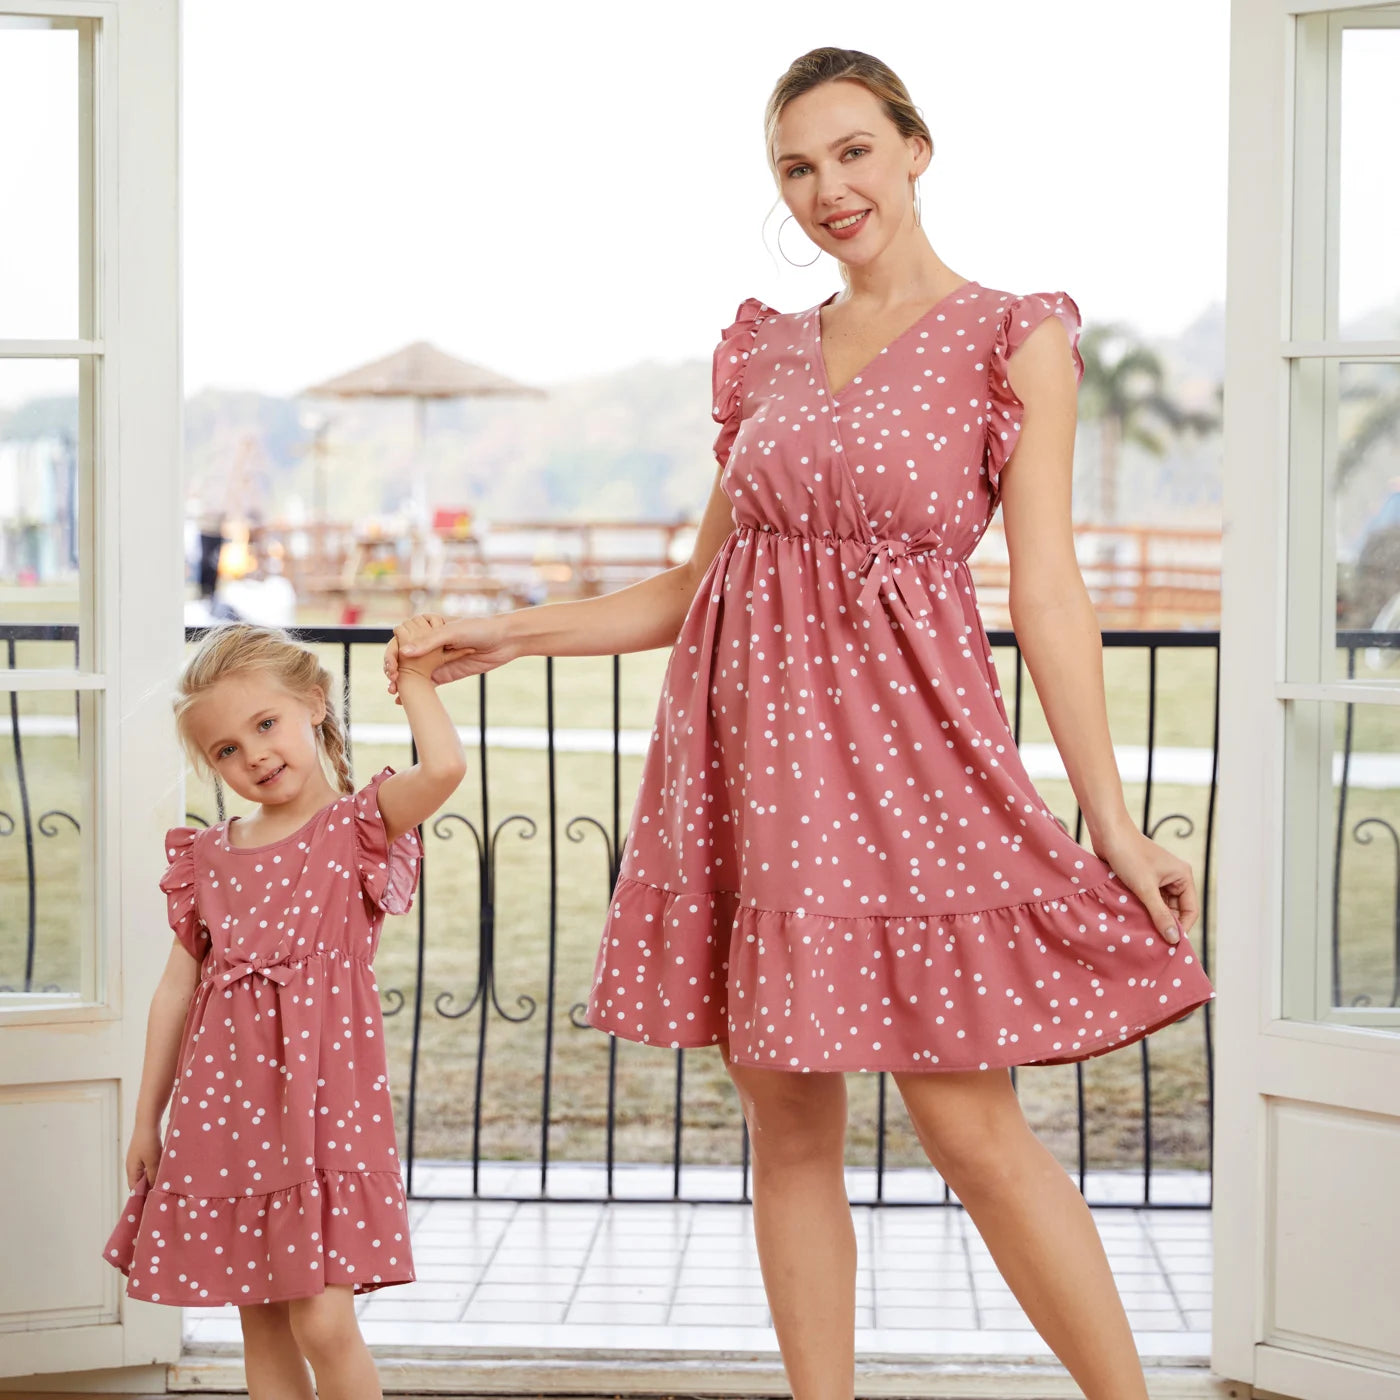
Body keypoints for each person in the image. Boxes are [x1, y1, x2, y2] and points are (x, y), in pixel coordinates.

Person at [384, 46, 1216, 1400]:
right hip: (758, 775)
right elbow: (693, 579)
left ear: (914, 148)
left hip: (914, 765)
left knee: (972, 1128)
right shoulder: (763, 351)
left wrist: (1111, 822)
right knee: (788, 1127)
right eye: (796, 166)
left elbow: (1050, 593)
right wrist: (511, 629)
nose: (828, 188)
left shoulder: (1015, 336)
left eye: (851, 152)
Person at [104, 618, 464, 1400]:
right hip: (224, 1112)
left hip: (323, 1112)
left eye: (264, 724)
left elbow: (443, 769)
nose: (254, 755)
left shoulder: (356, 829)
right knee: (261, 1323)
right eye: (226, 750)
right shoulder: (209, 857)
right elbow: (177, 991)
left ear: (314, 703)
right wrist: (147, 1117)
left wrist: (419, 684)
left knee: (325, 1325)